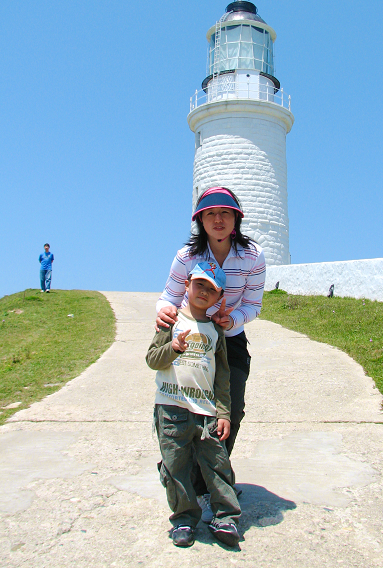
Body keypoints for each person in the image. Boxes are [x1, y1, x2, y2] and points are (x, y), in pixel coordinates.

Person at [156, 187, 266, 522]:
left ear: (236, 220)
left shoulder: (253, 256)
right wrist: (162, 313)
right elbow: (168, 297)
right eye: (209, 214)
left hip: (229, 339)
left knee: (230, 411)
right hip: (188, 336)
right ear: (200, 220)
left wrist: (232, 320)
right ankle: (187, 476)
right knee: (182, 411)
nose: (217, 220)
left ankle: (204, 479)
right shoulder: (186, 256)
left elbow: (253, 304)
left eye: (225, 213)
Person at [147, 261, 241, 548]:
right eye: (199, 283)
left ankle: (226, 517)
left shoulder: (216, 331)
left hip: (207, 412)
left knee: (217, 465)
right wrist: (173, 348)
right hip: (171, 409)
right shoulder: (171, 321)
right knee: (176, 466)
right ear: (186, 284)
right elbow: (152, 359)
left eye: (211, 289)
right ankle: (184, 518)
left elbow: (222, 376)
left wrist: (224, 412)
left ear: (219, 297)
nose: (204, 291)